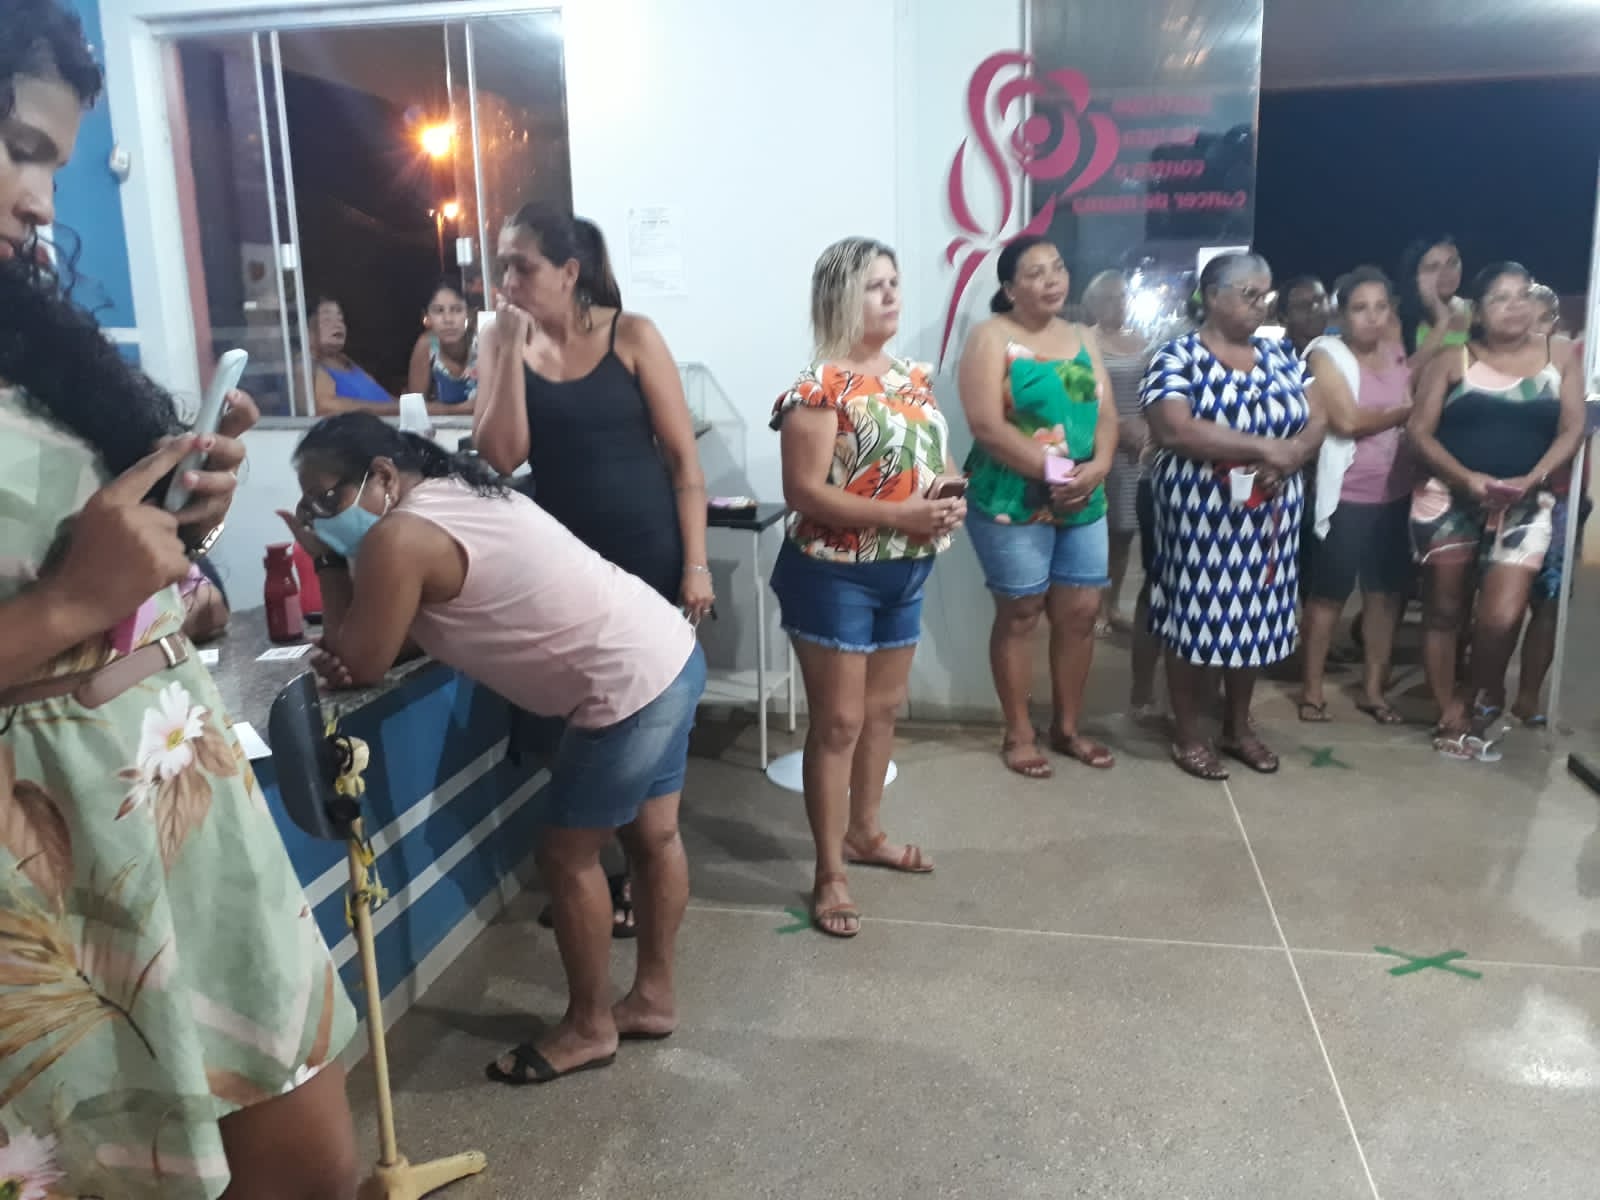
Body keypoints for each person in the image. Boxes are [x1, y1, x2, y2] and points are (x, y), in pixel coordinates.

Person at [0, 4, 360, 1195]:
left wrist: (180, 521)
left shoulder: (23, 330)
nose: (39, 202)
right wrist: (69, 601)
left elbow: (86, 553)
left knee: (308, 1156)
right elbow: (64, 590)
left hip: (174, 778)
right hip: (39, 828)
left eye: (52, 162)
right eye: (18, 149)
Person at [280, 413, 705, 1085]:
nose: (318, 516)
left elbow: (359, 658)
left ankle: (590, 1027)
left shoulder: (399, 536)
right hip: (667, 651)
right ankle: (652, 998)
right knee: (654, 837)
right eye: (308, 507)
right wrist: (363, 631)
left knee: (566, 854)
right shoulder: (460, 493)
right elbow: (394, 637)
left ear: (382, 476)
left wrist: (327, 558)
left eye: (327, 498)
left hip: (624, 686)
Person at [475, 207, 712, 935]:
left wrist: (697, 565)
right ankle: (593, 875)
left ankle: (639, 874)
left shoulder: (631, 335)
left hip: (646, 556)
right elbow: (502, 456)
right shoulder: (502, 340)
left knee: (644, 724)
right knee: (573, 724)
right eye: (502, 265)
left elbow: (684, 463)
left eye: (523, 267)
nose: (507, 281)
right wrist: (506, 350)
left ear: (569, 272)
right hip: (561, 572)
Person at [772, 237, 963, 938]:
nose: (891, 295)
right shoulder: (817, 387)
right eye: (874, 285)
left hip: (905, 568)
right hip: (834, 574)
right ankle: (829, 872)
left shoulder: (911, 377)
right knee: (839, 724)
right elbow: (803, 492)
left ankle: (866, 832)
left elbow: (938, 457)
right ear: (840, 297)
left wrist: (950, 494)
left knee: (882, 713)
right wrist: (901, 515)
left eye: (894, 282)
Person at [1141, 252, 1325, 780]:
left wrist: (1292, 455)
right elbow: (1174, 428)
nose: (1260, 304)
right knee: (1193, 618)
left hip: (1270, 515)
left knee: (1257, 619)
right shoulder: (1178, 356)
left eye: (1265, 295)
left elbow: (1318, 417)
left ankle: (1238, 727)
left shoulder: (1281, 354)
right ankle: (1188, 733)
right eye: (1249, 294)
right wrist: (1266, 448)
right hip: (1201, 515)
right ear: (1212, 295)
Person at [1407, 262, 1586, 758]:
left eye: (1523, 294)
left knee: (1502, 616)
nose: (1515, 305)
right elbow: (1419, 431)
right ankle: (1449, 710)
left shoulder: (1560, 354)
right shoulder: (1453, 358)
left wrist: (1535, 477)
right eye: (1500, 298)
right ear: (1479, 313)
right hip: (1448, 497)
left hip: (1526, 501)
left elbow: (1572, 428)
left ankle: (1475, 694)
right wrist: (1466, 478)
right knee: (1444, 610)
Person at [961, 237, 1119, 778]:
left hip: (1084, 496)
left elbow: (1107, 416)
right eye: (1035, 273)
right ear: (1009, 288)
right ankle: (1019, 732)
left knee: (1080, 613)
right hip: (1011, 498)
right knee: (1022, 613)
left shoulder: (1082, 337)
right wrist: (1058, 473)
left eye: (1057, 269)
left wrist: (1099, 466)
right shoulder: (990, 337)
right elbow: (986, 426)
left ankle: (1068, 728)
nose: (1052, 280)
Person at [1297, 267, 1415, 725]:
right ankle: (1312, 692)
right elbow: (1346, 421)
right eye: (1361, 308)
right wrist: (1404, 411)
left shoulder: (1396, 352)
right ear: (1341, 314)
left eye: (1381, 307)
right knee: (1328, 597)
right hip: (1346, 497)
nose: (1372, 317)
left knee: (1384, 597)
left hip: (1395, 493)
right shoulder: (1326, 355)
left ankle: (1373, 690)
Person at [1083, 269, 1154, 634]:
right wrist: (1116, 428)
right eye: (1108, 298)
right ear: (1093, 303)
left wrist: (1147, 430)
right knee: (1100, 533)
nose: (1117, 304)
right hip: (1101, 448)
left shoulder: (1142, 341)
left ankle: (1111, 606)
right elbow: (1080, 398)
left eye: (1122, 296)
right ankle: (1094, 609)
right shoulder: (1085, 343)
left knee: (1125, 533)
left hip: (1138, 454)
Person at [308, 296, 397, 415]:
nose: (338, 325)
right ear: (307, 329)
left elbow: (384, 397)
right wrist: (394, 409)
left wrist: (410, 405)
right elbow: (325, 406)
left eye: (340, 319)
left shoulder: (345, 361)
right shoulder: (307, 366)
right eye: (327, 319)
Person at [1398, 236, 1472, 374]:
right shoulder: (1399, 320)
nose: (1446, 273)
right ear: (1416, 276)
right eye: (1433, 267)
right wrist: (1442, 322)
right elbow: (1401, 378)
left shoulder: (1479, 311)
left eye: (1452, 263)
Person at [405, 277, 478, 411]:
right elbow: (415, 408)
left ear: (469, 314)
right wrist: (459, 409)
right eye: (439, 311)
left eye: (457, 310)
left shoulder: (482, 342)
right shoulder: (427, 346)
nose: (448, 319)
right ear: (427, 317)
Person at [1277, 276, 1330, 358]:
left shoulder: (1340, 352)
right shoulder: (1272, 358)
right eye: (1303, 305)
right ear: (1284, 316)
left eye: (1320, 300)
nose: (1315, 308)